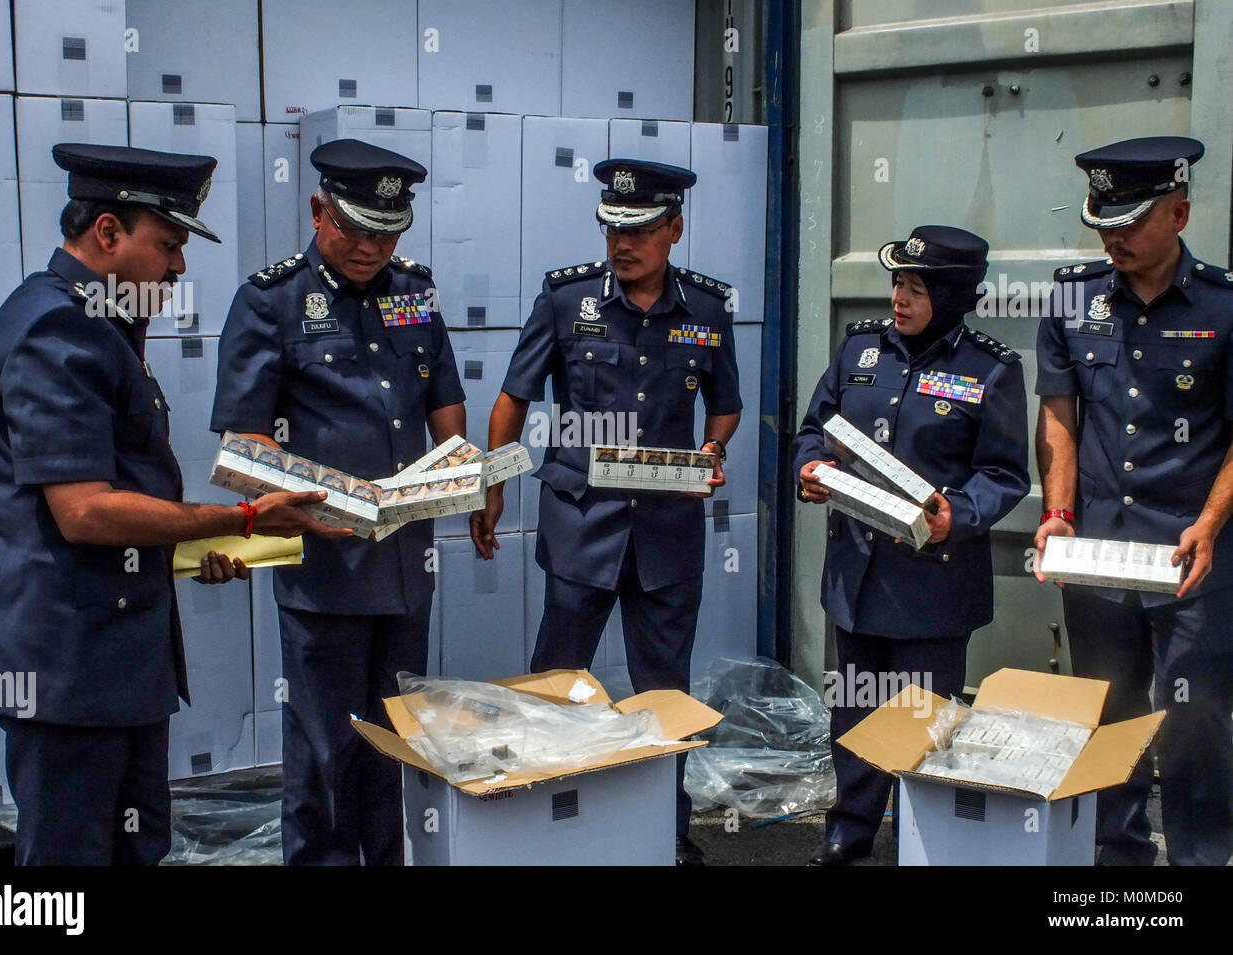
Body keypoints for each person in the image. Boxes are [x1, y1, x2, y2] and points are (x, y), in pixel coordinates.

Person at [0, 143, 340, 865]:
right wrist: (244, 518)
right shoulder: (56, 328)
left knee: (135, 846)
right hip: (63, 657)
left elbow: (118, 494)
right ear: (108, 232)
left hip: (111, 653)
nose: (179, 267)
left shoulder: (101, 321)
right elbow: (85, 512)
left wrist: (198, 547)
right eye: (169, 244)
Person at [469, 159, 741, 865]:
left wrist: (712, 449)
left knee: (664, 690)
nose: (623, 244)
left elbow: (727, 405)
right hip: (581, 523)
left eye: (641, 231)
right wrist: (493, 486)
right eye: (613, 229)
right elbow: (513, 398)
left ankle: (664, 831)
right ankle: (539, 819)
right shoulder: (566, 300)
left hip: (666, 532)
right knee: (557, 682)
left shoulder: (707, 310)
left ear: (674, 229)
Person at [210, 139, 466, 866]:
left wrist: (462, 468)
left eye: (386, 234)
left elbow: (444, 397)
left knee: (393, 738)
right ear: (319, 210)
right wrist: (315, 497)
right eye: (354, 229)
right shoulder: (271, 300)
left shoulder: (414, 290)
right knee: (325, 749)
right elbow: (245, 439)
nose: (369, 248)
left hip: (406, 563)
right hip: (324, 567)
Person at [794, 225, 1030, 866]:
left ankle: (922, 841)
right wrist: (810, 466)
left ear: (952, 296)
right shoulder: (860, 348)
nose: (899, 298)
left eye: (917, 289)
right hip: (857, 572)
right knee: (856, 709)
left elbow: (1005, 474)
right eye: (897, 283)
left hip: (933, 581)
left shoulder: (990, 369)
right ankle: (850, 828)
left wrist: (962, 513)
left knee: (924, 717)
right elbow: (815, 428)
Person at [1034, 136, 1233, 866]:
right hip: (1099, 550)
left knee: (1193, 715)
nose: (1112, 239)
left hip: (1191, 555)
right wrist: (1058, 514)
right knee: (1108, 710)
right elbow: (1059, 414)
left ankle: (1200, 859)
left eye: (1131, 222)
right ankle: (1118, 862)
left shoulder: (1224, 306)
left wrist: (1209, 523)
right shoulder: (1072, 296)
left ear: (1179, 213)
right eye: (1103, 223)